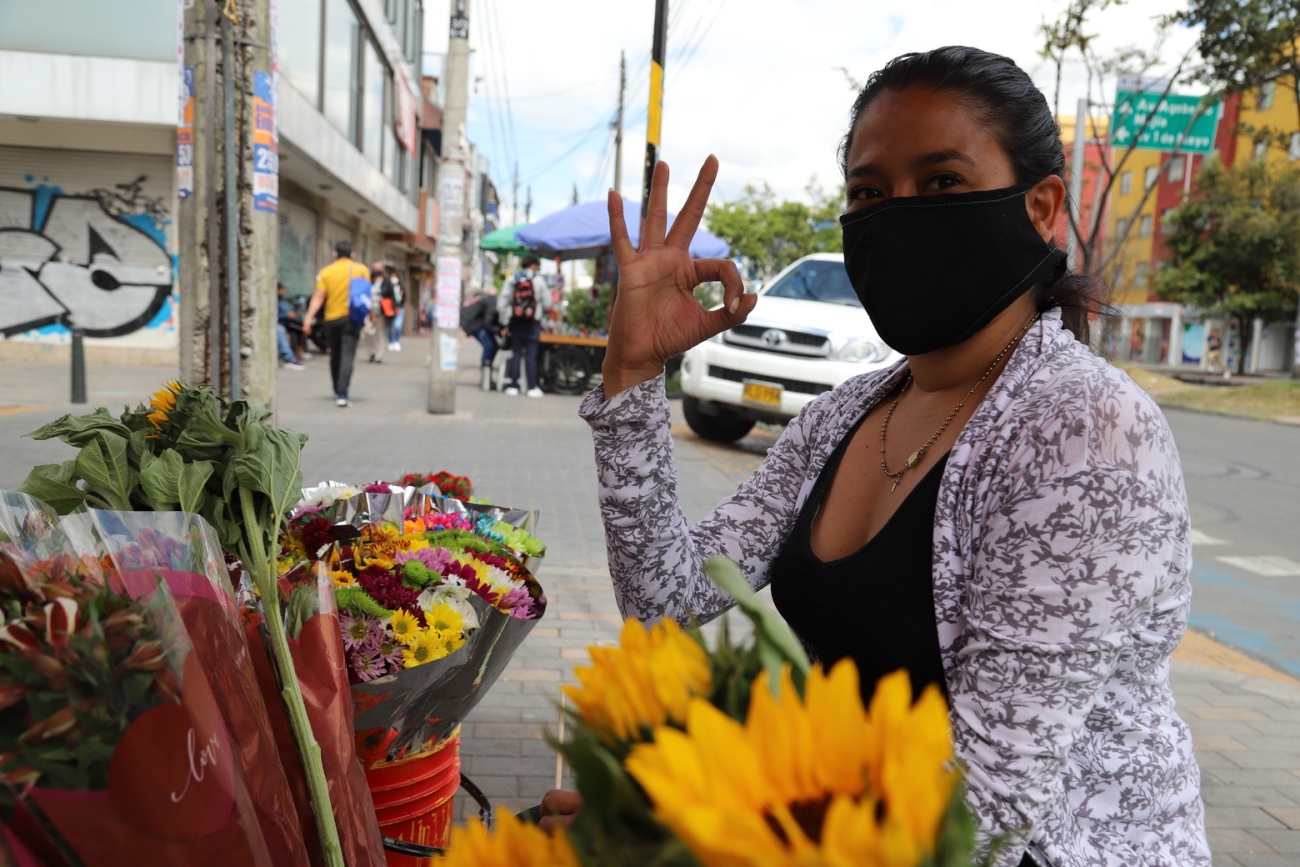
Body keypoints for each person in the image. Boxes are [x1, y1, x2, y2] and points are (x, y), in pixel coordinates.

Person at [573, 47, 1209, 867]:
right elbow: (667, 597)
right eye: (870, 193)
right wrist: (631, 374)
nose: (899, 214)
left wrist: (696, 831)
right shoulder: (848, 412)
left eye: (941, 181)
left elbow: (986, 802)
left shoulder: (1087, 427)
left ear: (1043, 206)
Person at [304, 240, 370, 407]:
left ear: (335, 254)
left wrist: (308, 317)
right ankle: (343, 393)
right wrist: (372, 314)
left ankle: (336, 389)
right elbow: (366, 295)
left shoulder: (326, 272)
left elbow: (319, 296)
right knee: (348, 354)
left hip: (332, 319)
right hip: (353, 318)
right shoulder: (361, 269)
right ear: (352, 254)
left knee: (335, 354)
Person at [497, 255, 551, 397]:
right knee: (531, 355)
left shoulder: (512, 279)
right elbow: (547, 303)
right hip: (532, 322)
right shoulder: (538, 280)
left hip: (515, 322)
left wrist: (504, 321)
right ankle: (532, 387)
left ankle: (513, 386)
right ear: (534, 265)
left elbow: (502, 302)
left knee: (516, 353)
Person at [461, 287, 500, 390]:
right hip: (473, 324)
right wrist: (500, 330)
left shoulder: (495, 302)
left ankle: (487, 374)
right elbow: (488, 323)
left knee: (495, 346)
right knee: (489, 346)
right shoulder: (494, 303)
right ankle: (485, 377)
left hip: (478, 324)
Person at [365, 260, 390, 364]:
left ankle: (379, 355)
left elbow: (390, 296)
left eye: (378, 268)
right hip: (369, 311)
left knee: (380, 333)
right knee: (369, 332)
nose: (376, 270)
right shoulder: (369, 280)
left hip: (381, 312)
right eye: (375, 267)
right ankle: (372, 352)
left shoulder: (386, 282)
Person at [276, 283, 305, 370]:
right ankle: (290, 359)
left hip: (287, 322)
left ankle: (298, 351)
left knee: (304, 330)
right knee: (280, 330)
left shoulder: (282, 300)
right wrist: (286, 315)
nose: (283, 291)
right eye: (281, 290)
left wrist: (293, 314)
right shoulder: (273, 300)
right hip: (281, 323)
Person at [386, 265, 405, 351]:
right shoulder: (387, 287)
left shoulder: (401, 288)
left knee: (397, 326)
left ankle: (396, 341)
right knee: (389, 327)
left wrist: (400, 297)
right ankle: (391, 342)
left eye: (395, 277)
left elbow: (405, 298)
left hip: (399, 309)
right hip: (389, 309)